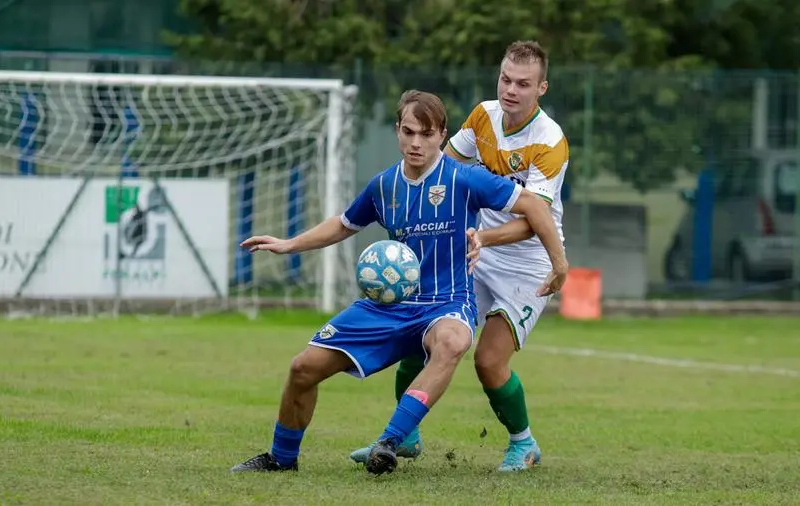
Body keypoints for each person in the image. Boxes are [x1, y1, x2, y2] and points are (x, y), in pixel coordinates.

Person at [230, 89, 568, 475]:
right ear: (398, 131)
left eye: (426, 134)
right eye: (408, 132)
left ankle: (389, 441)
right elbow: (344, 223)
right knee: (302, 368)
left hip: (447, 302)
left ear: (442, 134)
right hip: (392, 305)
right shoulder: (384, 186)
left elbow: (533, 206)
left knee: (455, 341)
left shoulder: (464, 178)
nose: (415, 143)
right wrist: (289, 244)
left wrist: (558, 264)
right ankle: (281, 459)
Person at [350, 40, 569, 472]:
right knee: (422, 328)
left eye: (523, 83)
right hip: (476, 247)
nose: (510, 89)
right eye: (506, 78)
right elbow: (441, 170)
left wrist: (500, 244)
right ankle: (404, 436)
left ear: (541, 87)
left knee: (489, 361)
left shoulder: (550, 141)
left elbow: (535, 215)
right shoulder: (483, 116)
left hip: (527, 260)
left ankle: (523, 443)